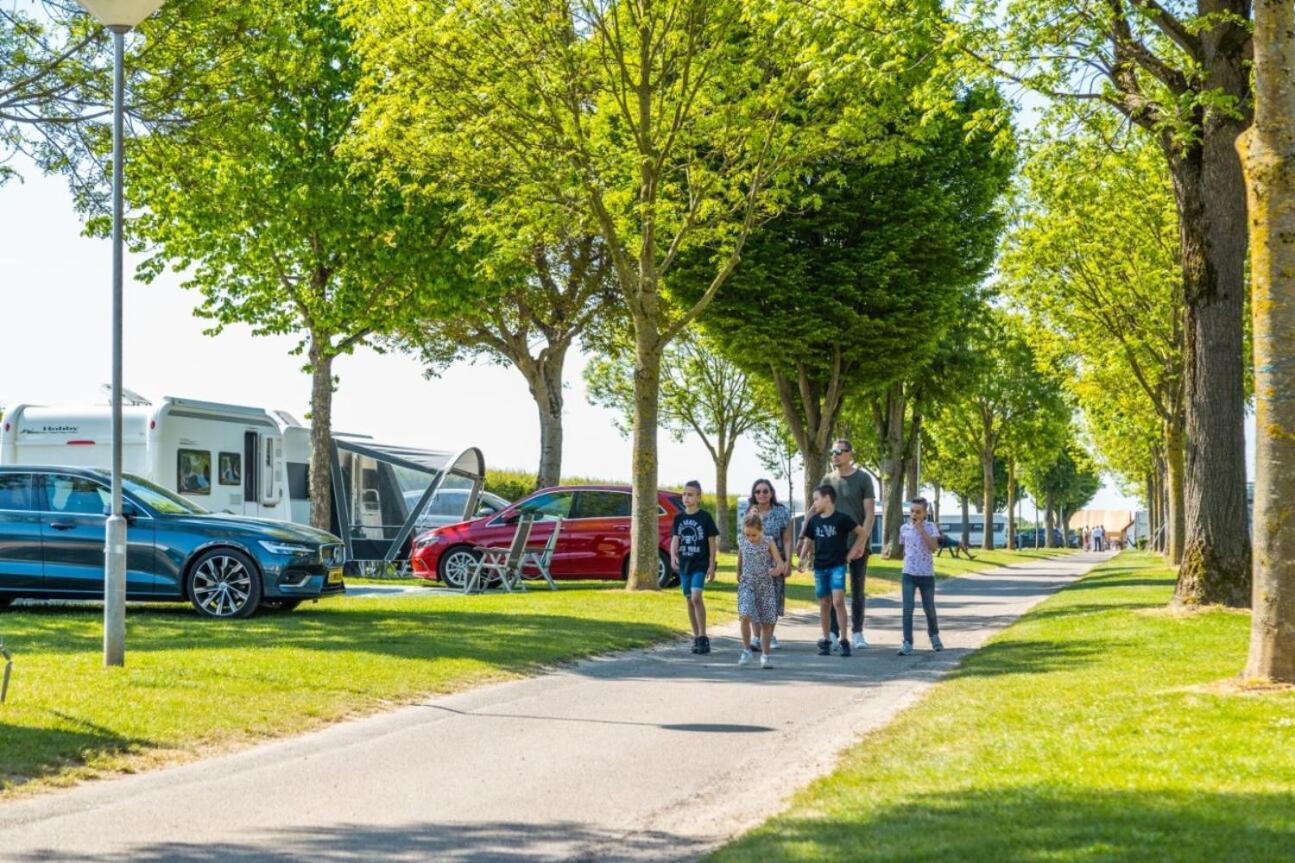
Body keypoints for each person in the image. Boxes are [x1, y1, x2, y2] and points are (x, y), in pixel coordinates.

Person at [798, 484, 868, 658]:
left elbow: (862, 533)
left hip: (837, 565)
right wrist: (802, 559)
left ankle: (844, 640)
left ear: (827, 499)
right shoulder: (814, 521)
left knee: (838, 601)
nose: (814, 504)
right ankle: (827, 639)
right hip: (820, 566)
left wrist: (852, 552)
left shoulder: (842, 519)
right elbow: (808, 541)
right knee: (824, 603)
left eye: (816, 499)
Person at [820, 439, 876, 649]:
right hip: (833, 544)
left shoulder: (863, 478)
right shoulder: (827, 479)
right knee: (834, 590)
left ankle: (858, 633)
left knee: (857, 589)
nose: (835, 455)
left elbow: (870, 514)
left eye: (839, 452)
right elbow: (819, 510)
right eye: (832, 451)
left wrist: (861, 542)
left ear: (850, 454)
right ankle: (833, 634)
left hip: (858, 543)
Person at [671, 480, 718, 655]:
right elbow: (675, 538)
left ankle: (704, 635)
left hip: (700, 563)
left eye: (690, 494)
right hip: (685, 564)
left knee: (697, 597)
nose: (686, 497)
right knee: (689, 598)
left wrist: (712, 565)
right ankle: (696, 636)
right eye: (684, 494)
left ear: (698, 497)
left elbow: (712, 542)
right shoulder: (679, 518)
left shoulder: (705, 517)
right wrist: (673, 556)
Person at [748, 478, 792, 649]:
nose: (762, 494)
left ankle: (769, 636)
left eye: (765, 491)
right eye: (758, 491)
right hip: (754, 562)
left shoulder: (781, 512)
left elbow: (787, 539)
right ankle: (756, 637)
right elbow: (745, 539)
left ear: (771, 493)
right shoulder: (750, 513)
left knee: (772, 601)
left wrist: (788, 562)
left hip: (776, 561)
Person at [897, 497, 944, 656]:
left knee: (929, 607)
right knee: (907, 609)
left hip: (926, 575)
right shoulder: (904, 528)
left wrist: (921, 530)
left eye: (918, 512)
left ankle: (934, 637)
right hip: (908, 573)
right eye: (912, 511)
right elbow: (906, 549)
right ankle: (907, 642)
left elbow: (934, 548)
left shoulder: (931, 527)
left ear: (925, 513)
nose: (914, 514)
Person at [737, 511, 783, 670]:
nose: (751, 538)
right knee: (744, 614)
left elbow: (780, 564)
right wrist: (738, 572)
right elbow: (740, 557)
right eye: (748, 534)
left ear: (761, 531)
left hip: (765, 586)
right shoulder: (742, 540)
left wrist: (776, 570)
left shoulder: (768, 542)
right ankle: (746, 650)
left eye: (754, 535)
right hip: (747, 583)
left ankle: (765, 655)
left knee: (767, 621)